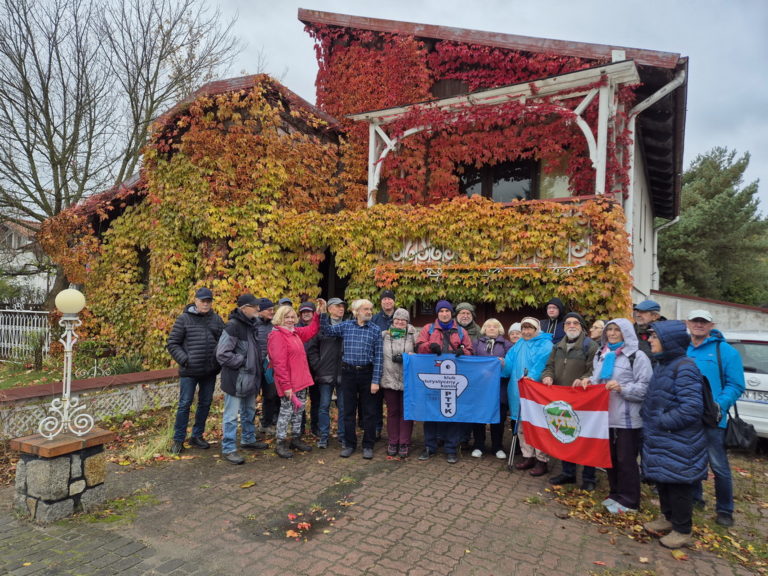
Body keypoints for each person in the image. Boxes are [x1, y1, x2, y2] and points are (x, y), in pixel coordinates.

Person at [641, 320, 708, 549]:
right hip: (662, 437)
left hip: (678, 440)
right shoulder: (662, 365)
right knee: (664, 481)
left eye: (654, 337)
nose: (649, 340)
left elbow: (691, 407)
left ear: (668, 342)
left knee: (678, 485)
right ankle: (667, 518)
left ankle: (682, 530)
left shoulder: (685, 367)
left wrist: (661, 421)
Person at [686, 309, 745, 527]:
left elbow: (736, 384)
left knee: (718, 466)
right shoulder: (684, 348)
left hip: (713, 419)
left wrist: (719, 405)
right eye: (695, 321)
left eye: (704, 322)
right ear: (688, 323)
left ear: (712, 325)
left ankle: (725, 510)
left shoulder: (725, 351)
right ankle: (695, 499)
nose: (699, 324)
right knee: (691, 460)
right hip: (688, 417)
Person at [589, 318, 651, 511]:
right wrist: (587, 383)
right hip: (605, 416)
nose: (612, 333)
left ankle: (630, 500)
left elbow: (646, 387)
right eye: (610, 330)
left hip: (627, 418)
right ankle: (615, 493)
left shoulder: (637, 356)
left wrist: (622, 388)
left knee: (626, 460)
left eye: (617, 330)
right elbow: (596, 378)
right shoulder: (601, 354)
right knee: (610, 458)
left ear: (626, 333)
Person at [542, 312, 599, 490]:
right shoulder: (557, 346)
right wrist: (548, 376)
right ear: (564, 327)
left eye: (575, 323)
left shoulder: (591, 346)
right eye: (568, 323)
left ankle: (589, 478)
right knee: (566, 434)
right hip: (562, 398)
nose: (571, 326)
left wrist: (584, 378)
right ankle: (568, 473)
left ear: (581, 326)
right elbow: (549, 366)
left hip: (584, 399)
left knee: (586, 439)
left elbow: (594, 370)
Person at [321, 299, 383, 459]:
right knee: (348, 411)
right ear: (356, 312)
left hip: (367, 374)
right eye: (365, 309)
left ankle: (368, 445)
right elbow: (327, 330)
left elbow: (379, 357)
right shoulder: (346, 326)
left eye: (370, 309)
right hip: (348, 373)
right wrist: (321, 313)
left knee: (369, 412)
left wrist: (376, 380)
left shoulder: (376, 330)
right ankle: (349, 444)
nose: (369, 311)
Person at [166, 287, 225, 455]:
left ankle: (197, 435)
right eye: (202, 301)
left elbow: (224, 342)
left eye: (208, 301)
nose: (205, 304)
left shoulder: (216, 320)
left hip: (209, 371)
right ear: (196, 301)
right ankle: (178, 440)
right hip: (189, 371)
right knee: (184, 404)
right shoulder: (184, 319)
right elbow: (172, 343)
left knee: (205, 404)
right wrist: (185, 360)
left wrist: (218, 361)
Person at [416, 300, 474, 464]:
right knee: (431, 412)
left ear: (451, 313)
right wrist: (429, 346)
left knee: (452, 412)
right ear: (437, 313)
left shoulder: (461, 331)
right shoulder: (429, 329)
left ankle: (451, 448)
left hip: (453, 377)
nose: (444, 314)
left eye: (447, 311)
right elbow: (419, 346)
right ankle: (429, 446)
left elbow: (470, 350)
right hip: (433, 374)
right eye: (441, 311)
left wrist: (463, 351)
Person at [215, 294, 268, 465]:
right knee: (231, 416)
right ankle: (229, 448)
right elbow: (222, 354)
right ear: (244, 308)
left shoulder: (252, 325)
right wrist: (244, 362)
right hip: (236, 379)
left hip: (251, 378)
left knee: (249, 411)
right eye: (254, 307)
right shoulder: (233, 326)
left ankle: (248, 439)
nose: (258, 309)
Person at [267, 301, 323, 458]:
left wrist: (317, 314)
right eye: (287, 317)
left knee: (299, 411)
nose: (291, 320)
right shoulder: (277, 335)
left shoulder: (295, 332)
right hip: (288, 383)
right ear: (280, 318)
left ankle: (295, 438)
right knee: (286, 412)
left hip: (301, 381)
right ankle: (281, 442)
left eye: (292, 317)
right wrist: (286, 386)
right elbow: (279, 364)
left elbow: (312, 330)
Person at [502, 316, 553, 476]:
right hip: (517, 389)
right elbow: (509, 362)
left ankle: (541, 460)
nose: (526, 331)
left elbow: (541, 364)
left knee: (538, 426)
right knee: (522, 425)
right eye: (523, 328)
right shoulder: (519, 344)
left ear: (536, 329)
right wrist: (503, 364)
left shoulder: (546, 345)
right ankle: (527, 455)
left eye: (529, 328)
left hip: (535, 390)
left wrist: (531, 377)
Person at [306, 297, 346, 448]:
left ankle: (342, 436)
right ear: (329, 309)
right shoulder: (321, 326)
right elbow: (312, 349)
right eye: (337, 306)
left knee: (343, 406)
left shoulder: (348, 326)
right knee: (324, 406)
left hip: (344, 373)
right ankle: (324, 436)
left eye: (342, 306)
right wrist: (318, 365)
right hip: (325, 372)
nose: (341, 309)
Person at [470, 319, 512, 459]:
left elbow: (511, 363)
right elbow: (471, 362)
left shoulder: (507, 345)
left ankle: (497, 447)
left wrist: (503, 364)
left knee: (498, 418)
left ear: (500, 329)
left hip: (499, 387)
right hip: (480, 388)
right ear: (484, 329)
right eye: (488, 326)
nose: (491, 328)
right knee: (479, 417)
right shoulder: (477, 343)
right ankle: (478, 445)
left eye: (495, 326)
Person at [380, 308, 418, 458]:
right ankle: (393, 441)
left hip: (407, 379)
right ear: (393, 320)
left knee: (406, 412)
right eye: (397, 319)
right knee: (392, 411)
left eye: (403, 320)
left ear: (407, 321)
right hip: (389, 378)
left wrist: (412, 356)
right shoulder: (384, 335)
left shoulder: (414, 335)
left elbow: (422, 352)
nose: (400, 322)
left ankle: (404, 442)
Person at [371, 290, 396, 440]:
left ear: (394, 301)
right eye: (384, 299)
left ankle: (393, 431)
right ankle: (376, 428)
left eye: (390, 299)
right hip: (377, 364)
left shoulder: (400, 318)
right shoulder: (374, 319)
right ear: (381, 302)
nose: (387, 302)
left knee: (392, 401)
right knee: (376, 400)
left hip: (394, 365)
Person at [255, 298, 280, 436]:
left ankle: (267, 423)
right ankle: (249, 427)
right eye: (269, 310)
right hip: (254, 366)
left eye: (273, 309)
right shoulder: (252, 324)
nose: (272, 312)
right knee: (250, 397)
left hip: (270, 366)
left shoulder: (275, 325)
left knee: (270, 395)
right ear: (260, 311)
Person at [298, 301, 320, 437]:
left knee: (316, 400)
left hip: (315, 368)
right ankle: (299, 428)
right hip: (300, 369)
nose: (306, 314)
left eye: (308, 311)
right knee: (300, 400)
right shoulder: (295, 328)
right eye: (303, 312)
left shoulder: (319, 327)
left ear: (313, 313)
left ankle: (315, 427)